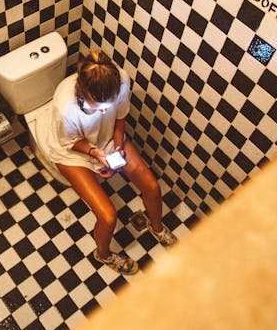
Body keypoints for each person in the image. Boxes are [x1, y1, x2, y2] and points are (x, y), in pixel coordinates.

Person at [36, 49, 176, 274]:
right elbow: (70, 142)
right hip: (71, 151)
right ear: (83, 93)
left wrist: (118, 145)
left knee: (152, 187)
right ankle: (102, 254)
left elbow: (120, 117)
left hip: (107, 138)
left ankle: (156, 227)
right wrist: (95, 153)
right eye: (98, 106)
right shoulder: (65, 107)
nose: (104, 110)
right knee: (108, 216)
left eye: (108, 105)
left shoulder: (120, 80)